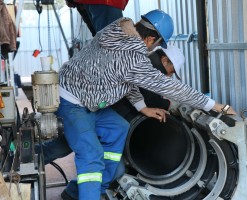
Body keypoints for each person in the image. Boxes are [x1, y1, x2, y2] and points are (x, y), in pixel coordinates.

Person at [42, 9, 236, 200]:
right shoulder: (133, 57)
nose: (153, 50)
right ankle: (88, 193)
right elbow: (170, 87)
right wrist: (215, 105)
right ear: (151, 40)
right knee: (91, 157)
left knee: (118, 128)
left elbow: (125, 79)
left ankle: (93, 190)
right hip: (73, 102)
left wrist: (142, 107)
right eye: (157, 45)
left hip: (87, 101)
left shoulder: (119, 30)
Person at [112, 45, 186, 122]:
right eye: (172, 71)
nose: (170, 75)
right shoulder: (150, 68)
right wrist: (169, 105)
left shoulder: (149, 60)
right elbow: (150, 99)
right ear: (164, 60)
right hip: (120, 111)